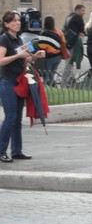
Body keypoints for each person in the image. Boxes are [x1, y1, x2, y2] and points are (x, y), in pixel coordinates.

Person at [0, 11, 46, 163]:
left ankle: (16, 151)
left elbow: (24, 61)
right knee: (10, 118)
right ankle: (1, 151)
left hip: (19, 81)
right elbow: (1, 61)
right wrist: (17, 56)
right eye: (13, 21)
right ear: (6, 24)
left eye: (19, 20)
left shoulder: (18, 39)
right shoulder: (4, 39)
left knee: (17, 119)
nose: (17, 23)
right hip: (8, 82)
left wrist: (34, 57)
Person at [37, 16, 66, 86]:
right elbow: (64, 42)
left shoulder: (44, 33)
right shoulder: (59, 32)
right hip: (58, 56)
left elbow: (42, 46)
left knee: (46, 73)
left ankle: (47, 88)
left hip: (49, 57)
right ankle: (52, 85)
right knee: (52, 73)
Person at [62, 4, 86, 87]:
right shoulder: (78, 18)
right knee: (69, 62)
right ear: (78, 10)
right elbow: (82, 30)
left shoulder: (69, 17)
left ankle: (71, 81)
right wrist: (81, 33)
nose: (84, 12)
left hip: (67, 41)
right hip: (73, 42)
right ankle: (64, 83)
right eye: (83, 10)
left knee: (69, 62)